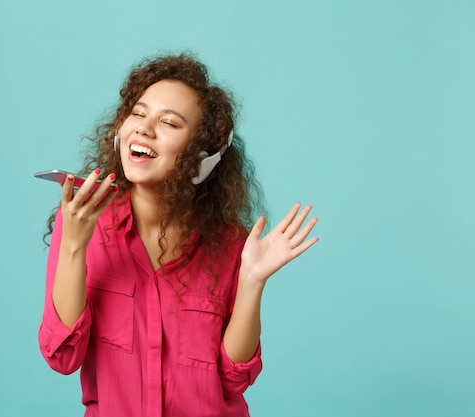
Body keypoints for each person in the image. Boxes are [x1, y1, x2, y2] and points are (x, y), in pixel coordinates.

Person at [38, 53, 319, 417]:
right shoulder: (82, 220)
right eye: (138, 114)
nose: (143, 128)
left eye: (169, 122)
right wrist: (74, 245)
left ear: (201, 156)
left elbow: (233, 379)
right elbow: (62, 356)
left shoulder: (232, 243)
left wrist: (251, 282)